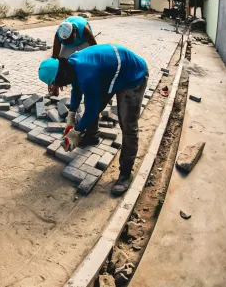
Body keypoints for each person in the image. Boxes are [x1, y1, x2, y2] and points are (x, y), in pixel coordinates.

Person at [38, 44, 148, 196]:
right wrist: (71, 113)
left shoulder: (88, 75)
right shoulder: (70, 65)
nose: (58, 87)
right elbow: (76, 88)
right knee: (94, 102)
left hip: (132, 75)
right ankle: (92, 136)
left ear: (61, 74)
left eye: (57, 83)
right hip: (110, 73)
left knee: (128, 126)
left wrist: (76, 131)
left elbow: (91, 110)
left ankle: (125, 174)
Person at [49, 16, 97, 96]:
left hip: (83, 42)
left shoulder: (84, 30)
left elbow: (95, 50)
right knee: (60, 64)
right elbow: (55, 56)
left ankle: (90, 87)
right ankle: (55, 89)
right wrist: (53, 76)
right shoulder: (59, 35)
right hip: (69, 47)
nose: (68, 42)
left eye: (70, 40)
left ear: (74, 31)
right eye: (65, 41)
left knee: (89, 63)